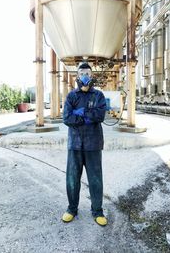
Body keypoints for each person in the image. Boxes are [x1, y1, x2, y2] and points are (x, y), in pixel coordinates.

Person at [62, 62, 107, 226]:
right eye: (82, 73)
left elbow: (100, 115)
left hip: (93, 144)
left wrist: (80, 114)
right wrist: (88, 117)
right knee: (72, 178)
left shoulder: (99, 96)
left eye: (87, 72)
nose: (85, 76)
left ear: (92, 75)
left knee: (95, 179)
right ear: (77, 76)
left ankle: (97, 211)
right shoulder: (71, 96)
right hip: (75, 144)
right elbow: (67, 118)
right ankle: (71, 209)